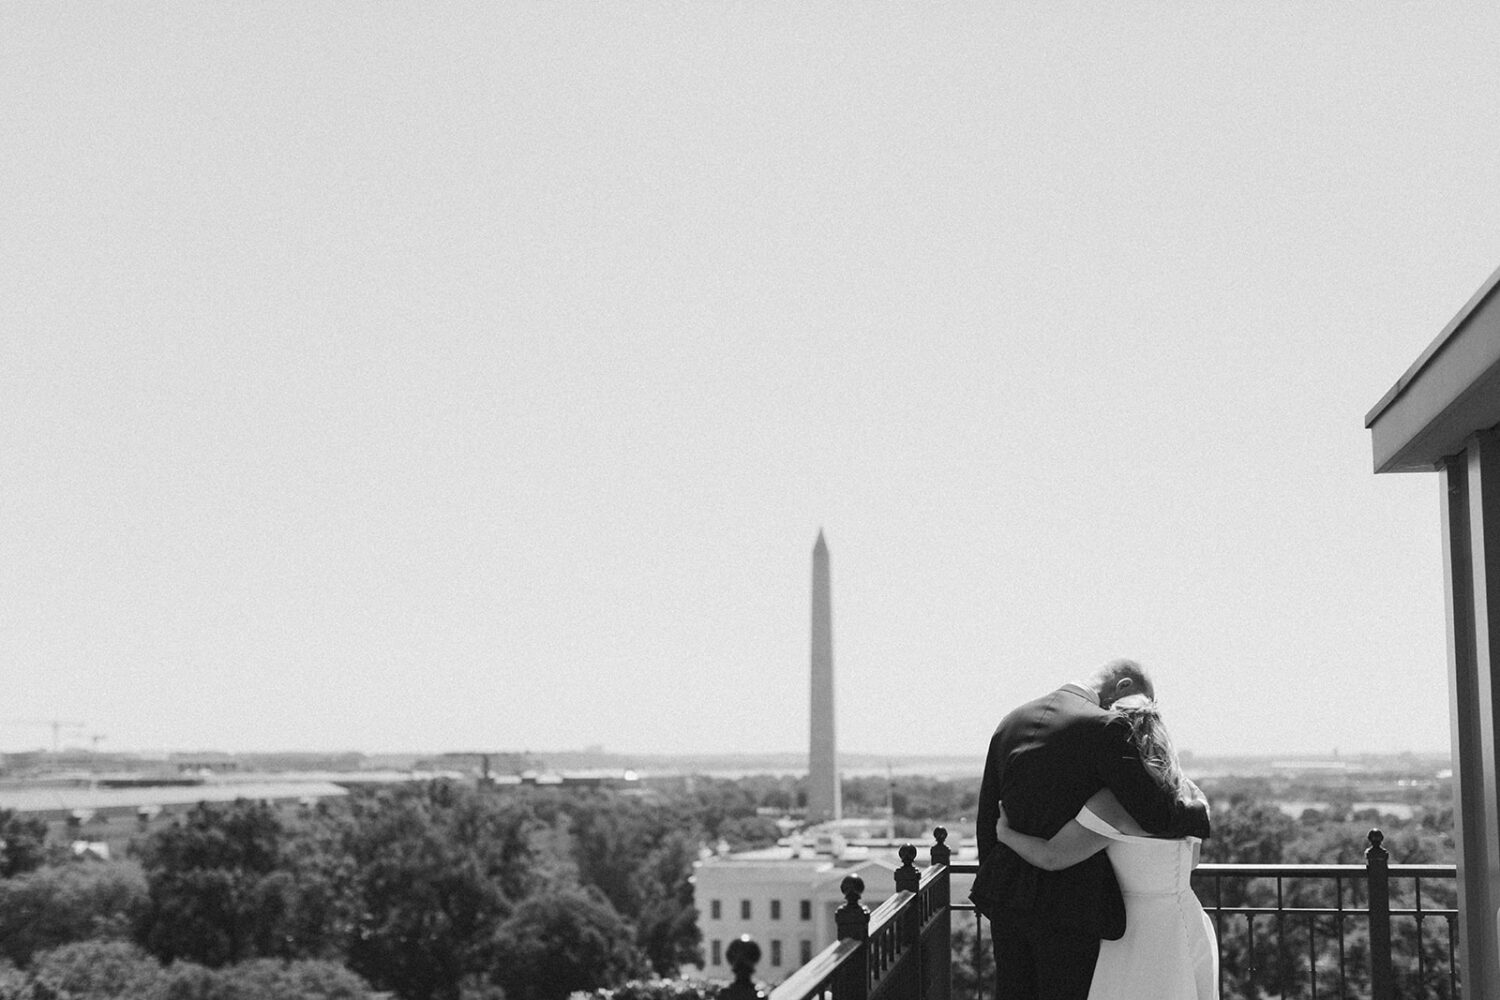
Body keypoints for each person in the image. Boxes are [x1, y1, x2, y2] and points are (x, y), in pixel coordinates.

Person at [969, 659, 1210, 1000]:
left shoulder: (1011, 721)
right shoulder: (1106, 727)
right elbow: (1154, 815)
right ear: (1124, 686)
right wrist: (1200, 812)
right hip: (1070, 912)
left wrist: (993, 892)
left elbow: (987, 817)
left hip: (1007, 902)